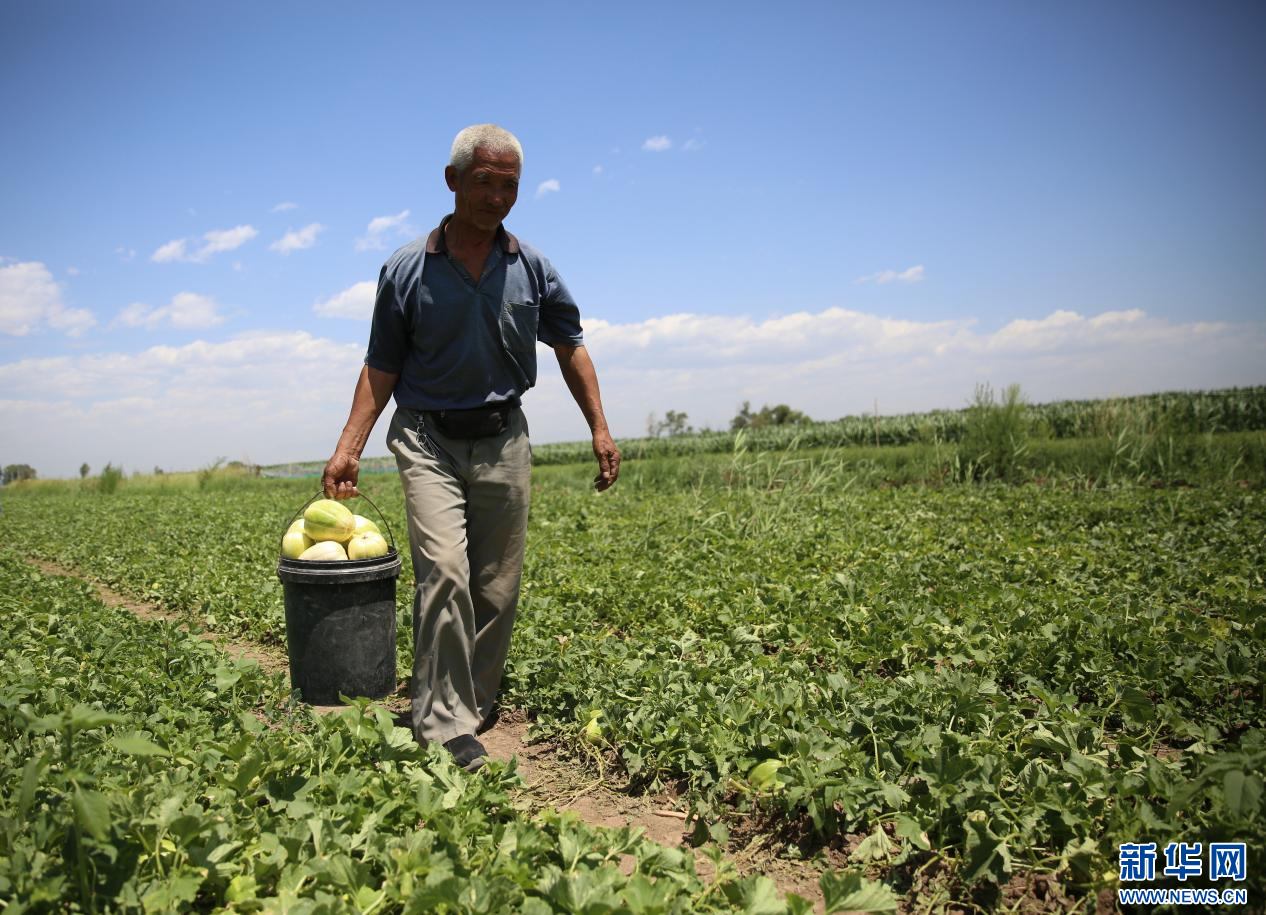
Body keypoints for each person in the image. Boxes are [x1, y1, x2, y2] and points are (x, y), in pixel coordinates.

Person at [321, 124, 620, 771]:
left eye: (509, 185)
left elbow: (570, 346)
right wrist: (349, 446)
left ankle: (471, 702)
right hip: (427, 436)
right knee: (445, 572)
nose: (496, 197)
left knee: (495, 586)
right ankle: (443, 723)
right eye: (484, 182)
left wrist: (599, 426)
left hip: (504, 437)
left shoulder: (530, 267)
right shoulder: (408, 268)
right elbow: (381, 364)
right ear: (453, 180)